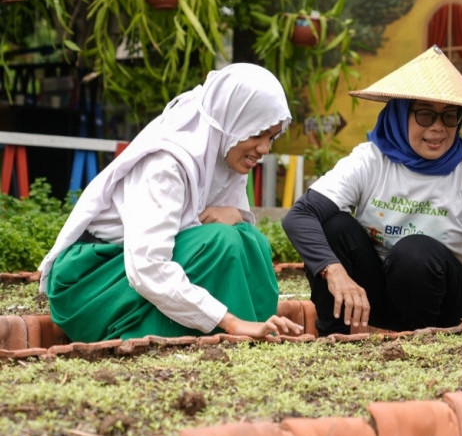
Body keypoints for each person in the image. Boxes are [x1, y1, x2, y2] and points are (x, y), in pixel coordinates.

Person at [282, 46, 462, 336]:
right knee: (333, 225)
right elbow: (300, 215)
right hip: (371, 294)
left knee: (414, 252)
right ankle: (333, 337)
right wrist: (333, 269)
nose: (438, 128)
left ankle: (421, 342)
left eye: (450, 116)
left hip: (442, 299)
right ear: (400, 114)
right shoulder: (370, 160)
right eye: (425, 115)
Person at [39, 64, 303, 342]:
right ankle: (214, 332)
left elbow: (233, 236)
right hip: (90, 284)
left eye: (271, 137)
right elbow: (147, 268)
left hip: (125, 272)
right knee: (221, 243)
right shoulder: (165, 164)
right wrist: (232, 322)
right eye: (257, 134)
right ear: (231, 123)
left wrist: (237, 214)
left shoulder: (225, 152)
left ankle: (261, 329)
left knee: (251, 240)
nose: (264, 149)